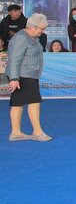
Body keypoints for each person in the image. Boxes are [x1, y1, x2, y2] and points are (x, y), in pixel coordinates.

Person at [6, 13, 51, 141]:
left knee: (18, 103)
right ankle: (37, 132)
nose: (43, 31)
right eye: (41, 29)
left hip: (28, 74)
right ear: (32, 27)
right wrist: (14, 79)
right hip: (22, 75)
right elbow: (14, 59)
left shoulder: (32, 37)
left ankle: (16, 133)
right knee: (34, 101)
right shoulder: (21, 38)